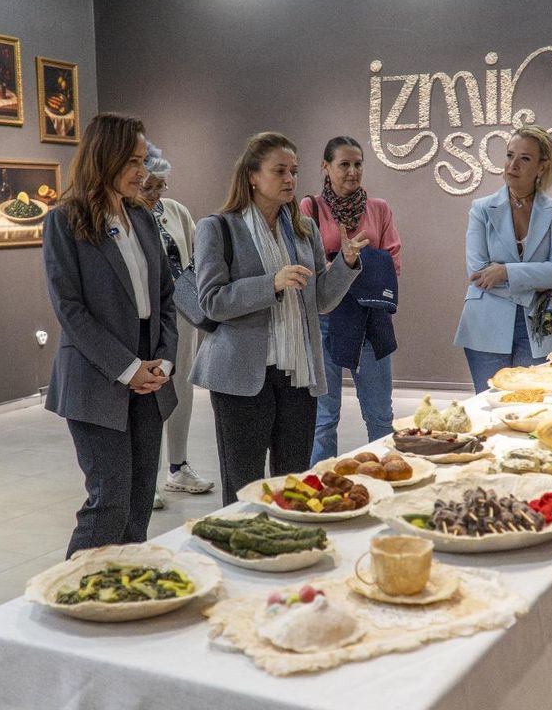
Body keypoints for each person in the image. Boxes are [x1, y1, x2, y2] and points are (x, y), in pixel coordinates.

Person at [190, 132, 366, 506]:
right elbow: (211, 302)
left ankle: (289, 539)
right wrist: (271, 283)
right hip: (241, 377)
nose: (290, 179)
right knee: (244, 487)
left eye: (294, 171)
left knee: (293, 483)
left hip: (296, 375)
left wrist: (347, 263)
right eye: (279, 171)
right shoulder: (218, 227)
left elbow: (321, 301)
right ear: (252, 176)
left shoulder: (304, 229)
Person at [43, 113, 177, 556]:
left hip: (150, 374)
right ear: (105, 158)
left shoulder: (141, 218)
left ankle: (126, 589)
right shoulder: (65, 221)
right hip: (98, 377)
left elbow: (165, 295)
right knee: (109, 502)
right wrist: (127, 368)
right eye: (133, 162)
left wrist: (164, 359)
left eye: (143, 161)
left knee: (138, 505)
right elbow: (70, 309)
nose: (142, 172)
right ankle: (71, 592)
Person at [454, 125, 552, 393]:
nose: (512, 165)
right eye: (509, 155)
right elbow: (478, 272)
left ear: (542, 167)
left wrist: (505, 272)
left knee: (534, 403)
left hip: (543, 325)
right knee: (490, 403)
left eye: (524, 158)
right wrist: (539, 278)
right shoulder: (481, 209)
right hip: (486, 324)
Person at [301, 137, 401, 466]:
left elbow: (392, 263)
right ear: (325, 167)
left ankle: (388, 477)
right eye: (344, 164)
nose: (352, 171)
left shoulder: (379, 209)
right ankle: (320, 483)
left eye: (358, 164)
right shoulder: (310, 209)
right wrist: (348, 266)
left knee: (380, 415)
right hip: (325, 318)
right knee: (323, 418)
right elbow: (308, 267)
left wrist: (347, 266)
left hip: (370, 320)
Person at [139, 146, 215, 509]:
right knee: (148, 394)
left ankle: (178, 466)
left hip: (182, 314)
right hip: (144, 320)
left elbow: (197, 258)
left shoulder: (176, 212)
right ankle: (146, 478)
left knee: (181, 387)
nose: (156, 193)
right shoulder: (123, 218)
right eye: (149, 186)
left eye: (161, 186)